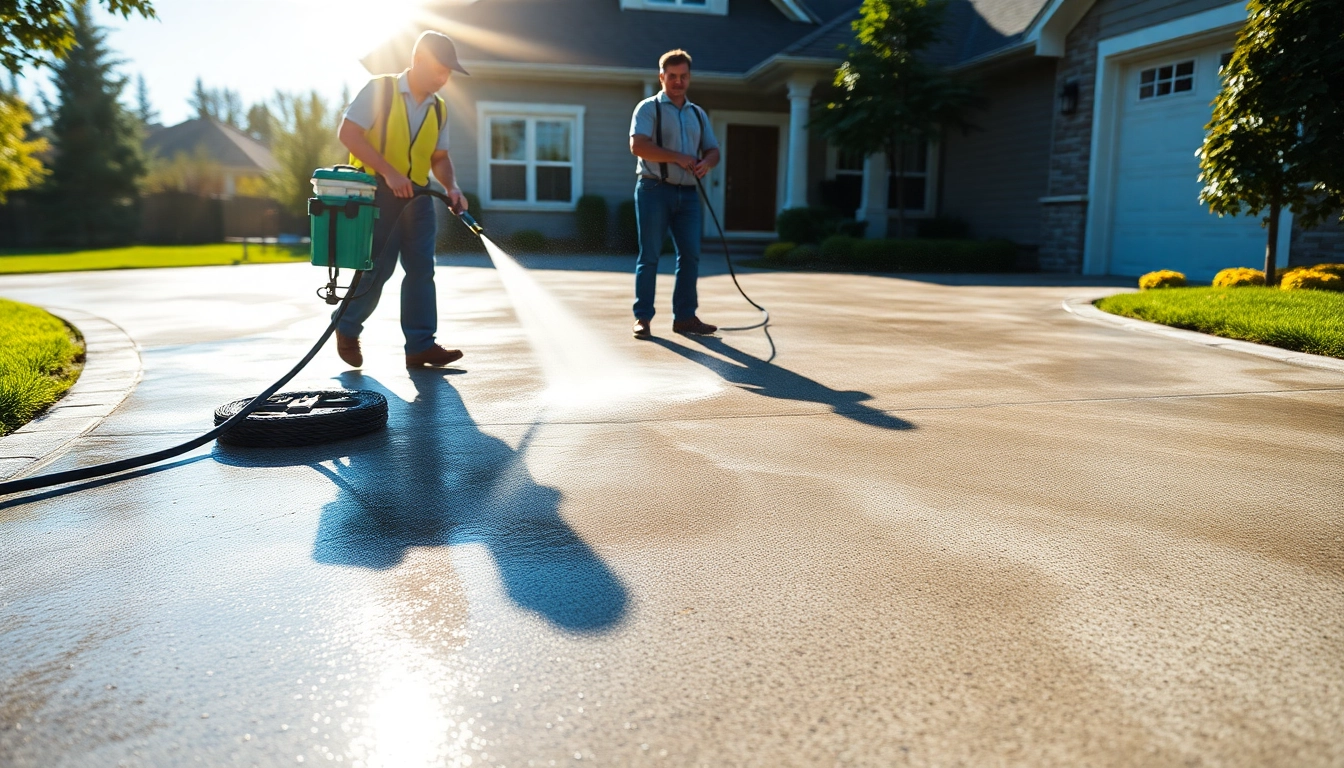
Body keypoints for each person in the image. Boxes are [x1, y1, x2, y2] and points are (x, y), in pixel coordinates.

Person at [334, 31, 470, 368]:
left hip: (419, 198)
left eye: (448, 72)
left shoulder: (439, 109)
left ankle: (420, 345)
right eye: (439, 69)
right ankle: (346, 327)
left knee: (422, 269)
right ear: (418, 60)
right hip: (377, 193)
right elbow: (348, 133)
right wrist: (389, 172)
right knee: (377, 269)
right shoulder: (380, 90)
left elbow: (440, 157)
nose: (444, 78)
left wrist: (452, 187)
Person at [628, 49, 721, 339]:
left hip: (689, 195)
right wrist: (677, 157)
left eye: (683, 76)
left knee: (690, 256)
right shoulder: (648, 108)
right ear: (661, 77)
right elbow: (638, 146)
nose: (678, 82)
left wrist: (707, 163)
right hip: (654, 189)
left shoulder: (698, 114)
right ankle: (643, 318)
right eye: (672, 76)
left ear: (689, 77)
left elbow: (713, 150)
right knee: (650, 256)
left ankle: (685, 318)